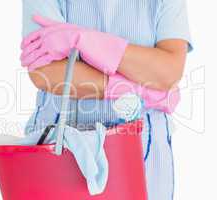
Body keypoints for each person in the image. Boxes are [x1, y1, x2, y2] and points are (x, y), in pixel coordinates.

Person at [20, 0, 193, 199]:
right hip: (58, 150)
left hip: (146, 151)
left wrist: (84, 39)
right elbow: (47, 72)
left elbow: (167, 71)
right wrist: (140, 89)